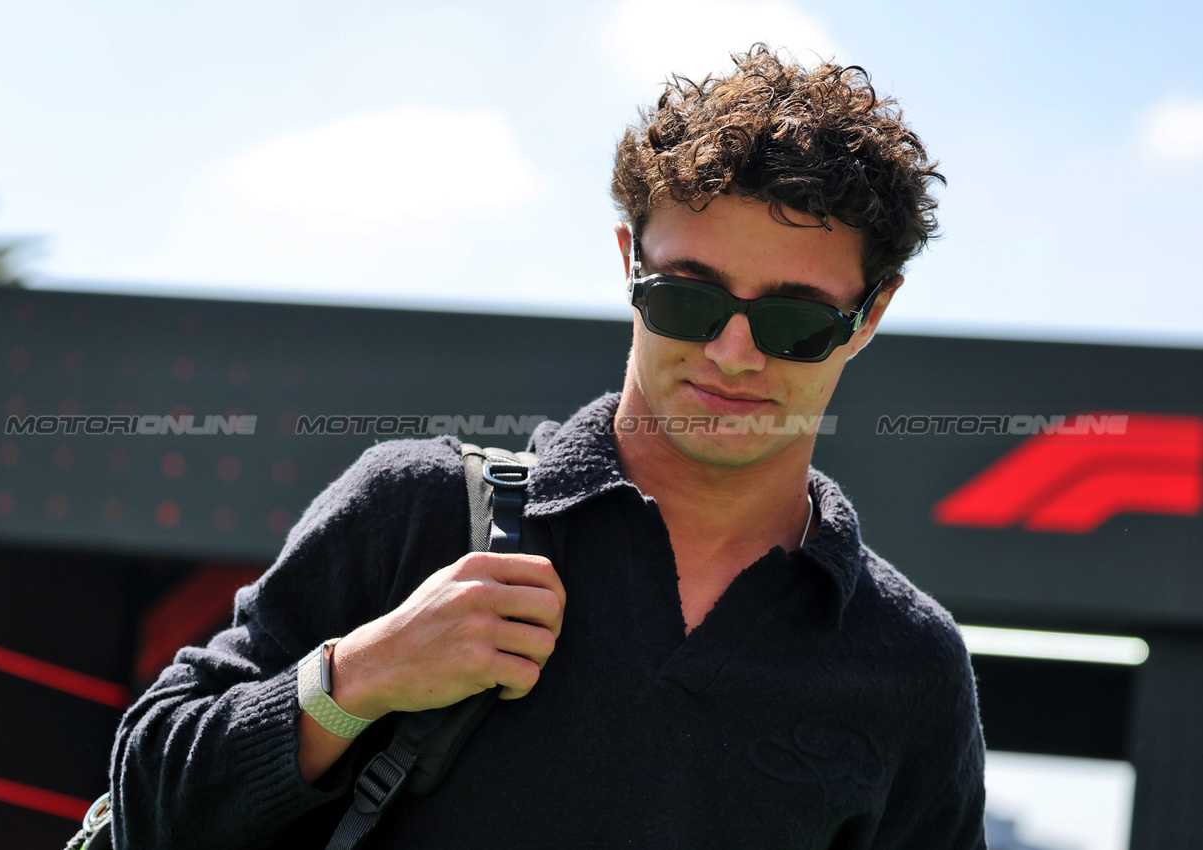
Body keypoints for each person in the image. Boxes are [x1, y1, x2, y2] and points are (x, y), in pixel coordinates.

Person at [110, 44, 986, 849]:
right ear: (627, 263)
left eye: (794, 319)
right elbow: (151, 801)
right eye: (688, 297)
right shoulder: (417, 509)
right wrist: (360, 678)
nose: (731, 352)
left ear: (869, 316)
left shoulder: (907, 664)